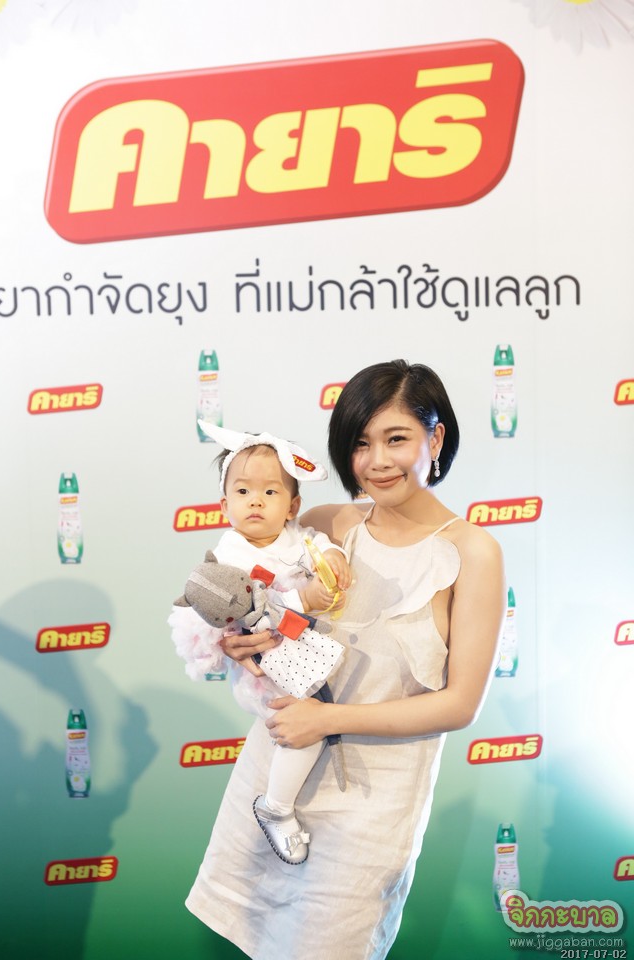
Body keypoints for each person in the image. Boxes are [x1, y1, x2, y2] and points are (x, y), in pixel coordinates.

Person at [182, 360, 506, 960]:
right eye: (360, 443)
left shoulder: (474, 552)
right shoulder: (322, 525)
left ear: (435, 438)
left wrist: (329, 720)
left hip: (373, 806)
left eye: (396, 438)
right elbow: (254, 614)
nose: (377, 460)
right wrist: (237, 643)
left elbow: (460, 704)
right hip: (273, 777)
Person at [169, 423, 351, 865]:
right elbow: (247, 610)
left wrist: (334, 556)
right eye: (243, 491)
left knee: (320, 713)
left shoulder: (299, 538)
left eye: (270, 492)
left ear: (293, 506)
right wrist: (303, 599)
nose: (255, 501)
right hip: (265, 666)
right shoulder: (228, 556)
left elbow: (321, 546)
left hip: (299, 649)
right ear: (224, 504)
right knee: (305, 729)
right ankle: (276, 807)